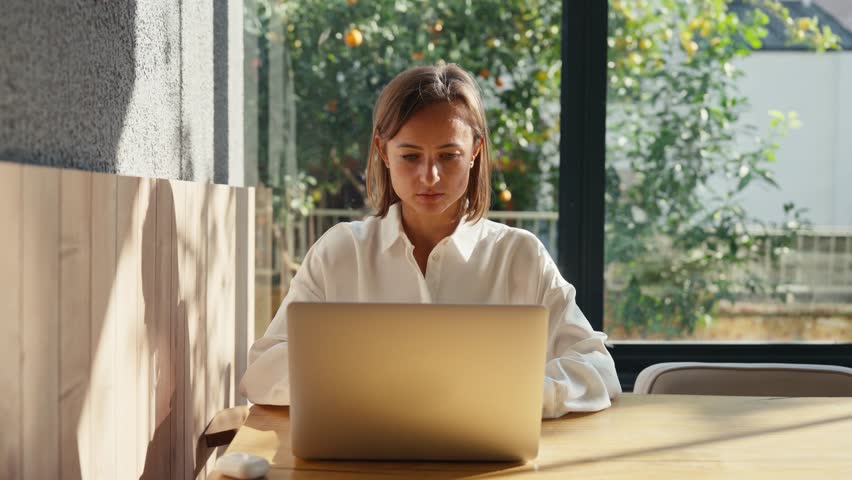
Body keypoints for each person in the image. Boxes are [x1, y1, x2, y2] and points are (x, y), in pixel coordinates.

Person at [239, 64, 621, 418]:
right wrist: (363, 386)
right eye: (410, 156)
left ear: (475, 152)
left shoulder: (519, 256)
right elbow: (263, 370)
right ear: (382, 151)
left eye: (448, 155)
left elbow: (597, 368)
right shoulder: (341, 252)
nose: (430, 176)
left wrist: (518, 396)